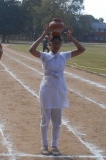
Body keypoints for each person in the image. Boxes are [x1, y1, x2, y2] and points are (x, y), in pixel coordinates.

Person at [29, 25, 85, 156]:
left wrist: (71, 38)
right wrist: (42, 35)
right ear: (49, 43)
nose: (56, 46)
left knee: (57, 122)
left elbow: (81, 49)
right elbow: (32, 50)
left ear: (61, 44)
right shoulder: (44, 56)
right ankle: (44, 145)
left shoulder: (64, 56)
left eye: (58, 43)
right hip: (47, 89)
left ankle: (54, 146)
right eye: (53, 43)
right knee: (45, 120)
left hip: (59, 89)